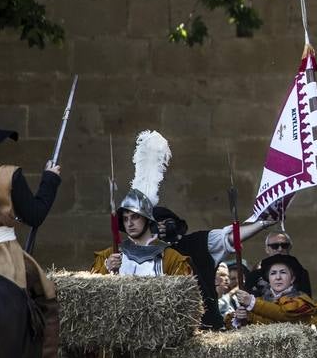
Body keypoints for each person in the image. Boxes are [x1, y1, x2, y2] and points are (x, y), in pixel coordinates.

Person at [0, 109, 64, 358]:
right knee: (48, 300)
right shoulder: (8, 175)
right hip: (2, 257)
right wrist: (49, 180)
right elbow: (35, 215)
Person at [91, 131, 192, 277]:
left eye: (135, 217)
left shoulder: (171, 258)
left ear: (147, 218)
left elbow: (184, 293)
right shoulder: (110, 255)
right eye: (125, 218)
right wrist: (106, 268)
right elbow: (90, 288)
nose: (130, 223)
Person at [155, 205, 274, 329]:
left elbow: (231, 238)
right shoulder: (142, 256)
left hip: (205, 325)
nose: (163, 227)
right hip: (165, 328)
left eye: (167, 223)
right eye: (157, 224)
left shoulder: (198, 242)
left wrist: (263, 223)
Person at [232, 252, 317, 324]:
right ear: (268, 279)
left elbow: (283, 315)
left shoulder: (302, 301)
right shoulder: (260, 300)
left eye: (283, 272)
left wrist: (252, 304)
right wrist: (242, 317)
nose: (278, 277)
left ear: (292, 279)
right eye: (273, 273)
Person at [247, 230, 313, 297]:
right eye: (275, 246)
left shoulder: (301, 273)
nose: (280, 249)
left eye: (284, 245)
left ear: (289, 247)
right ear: (267, 249)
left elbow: (307, 300)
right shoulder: (254, 275)